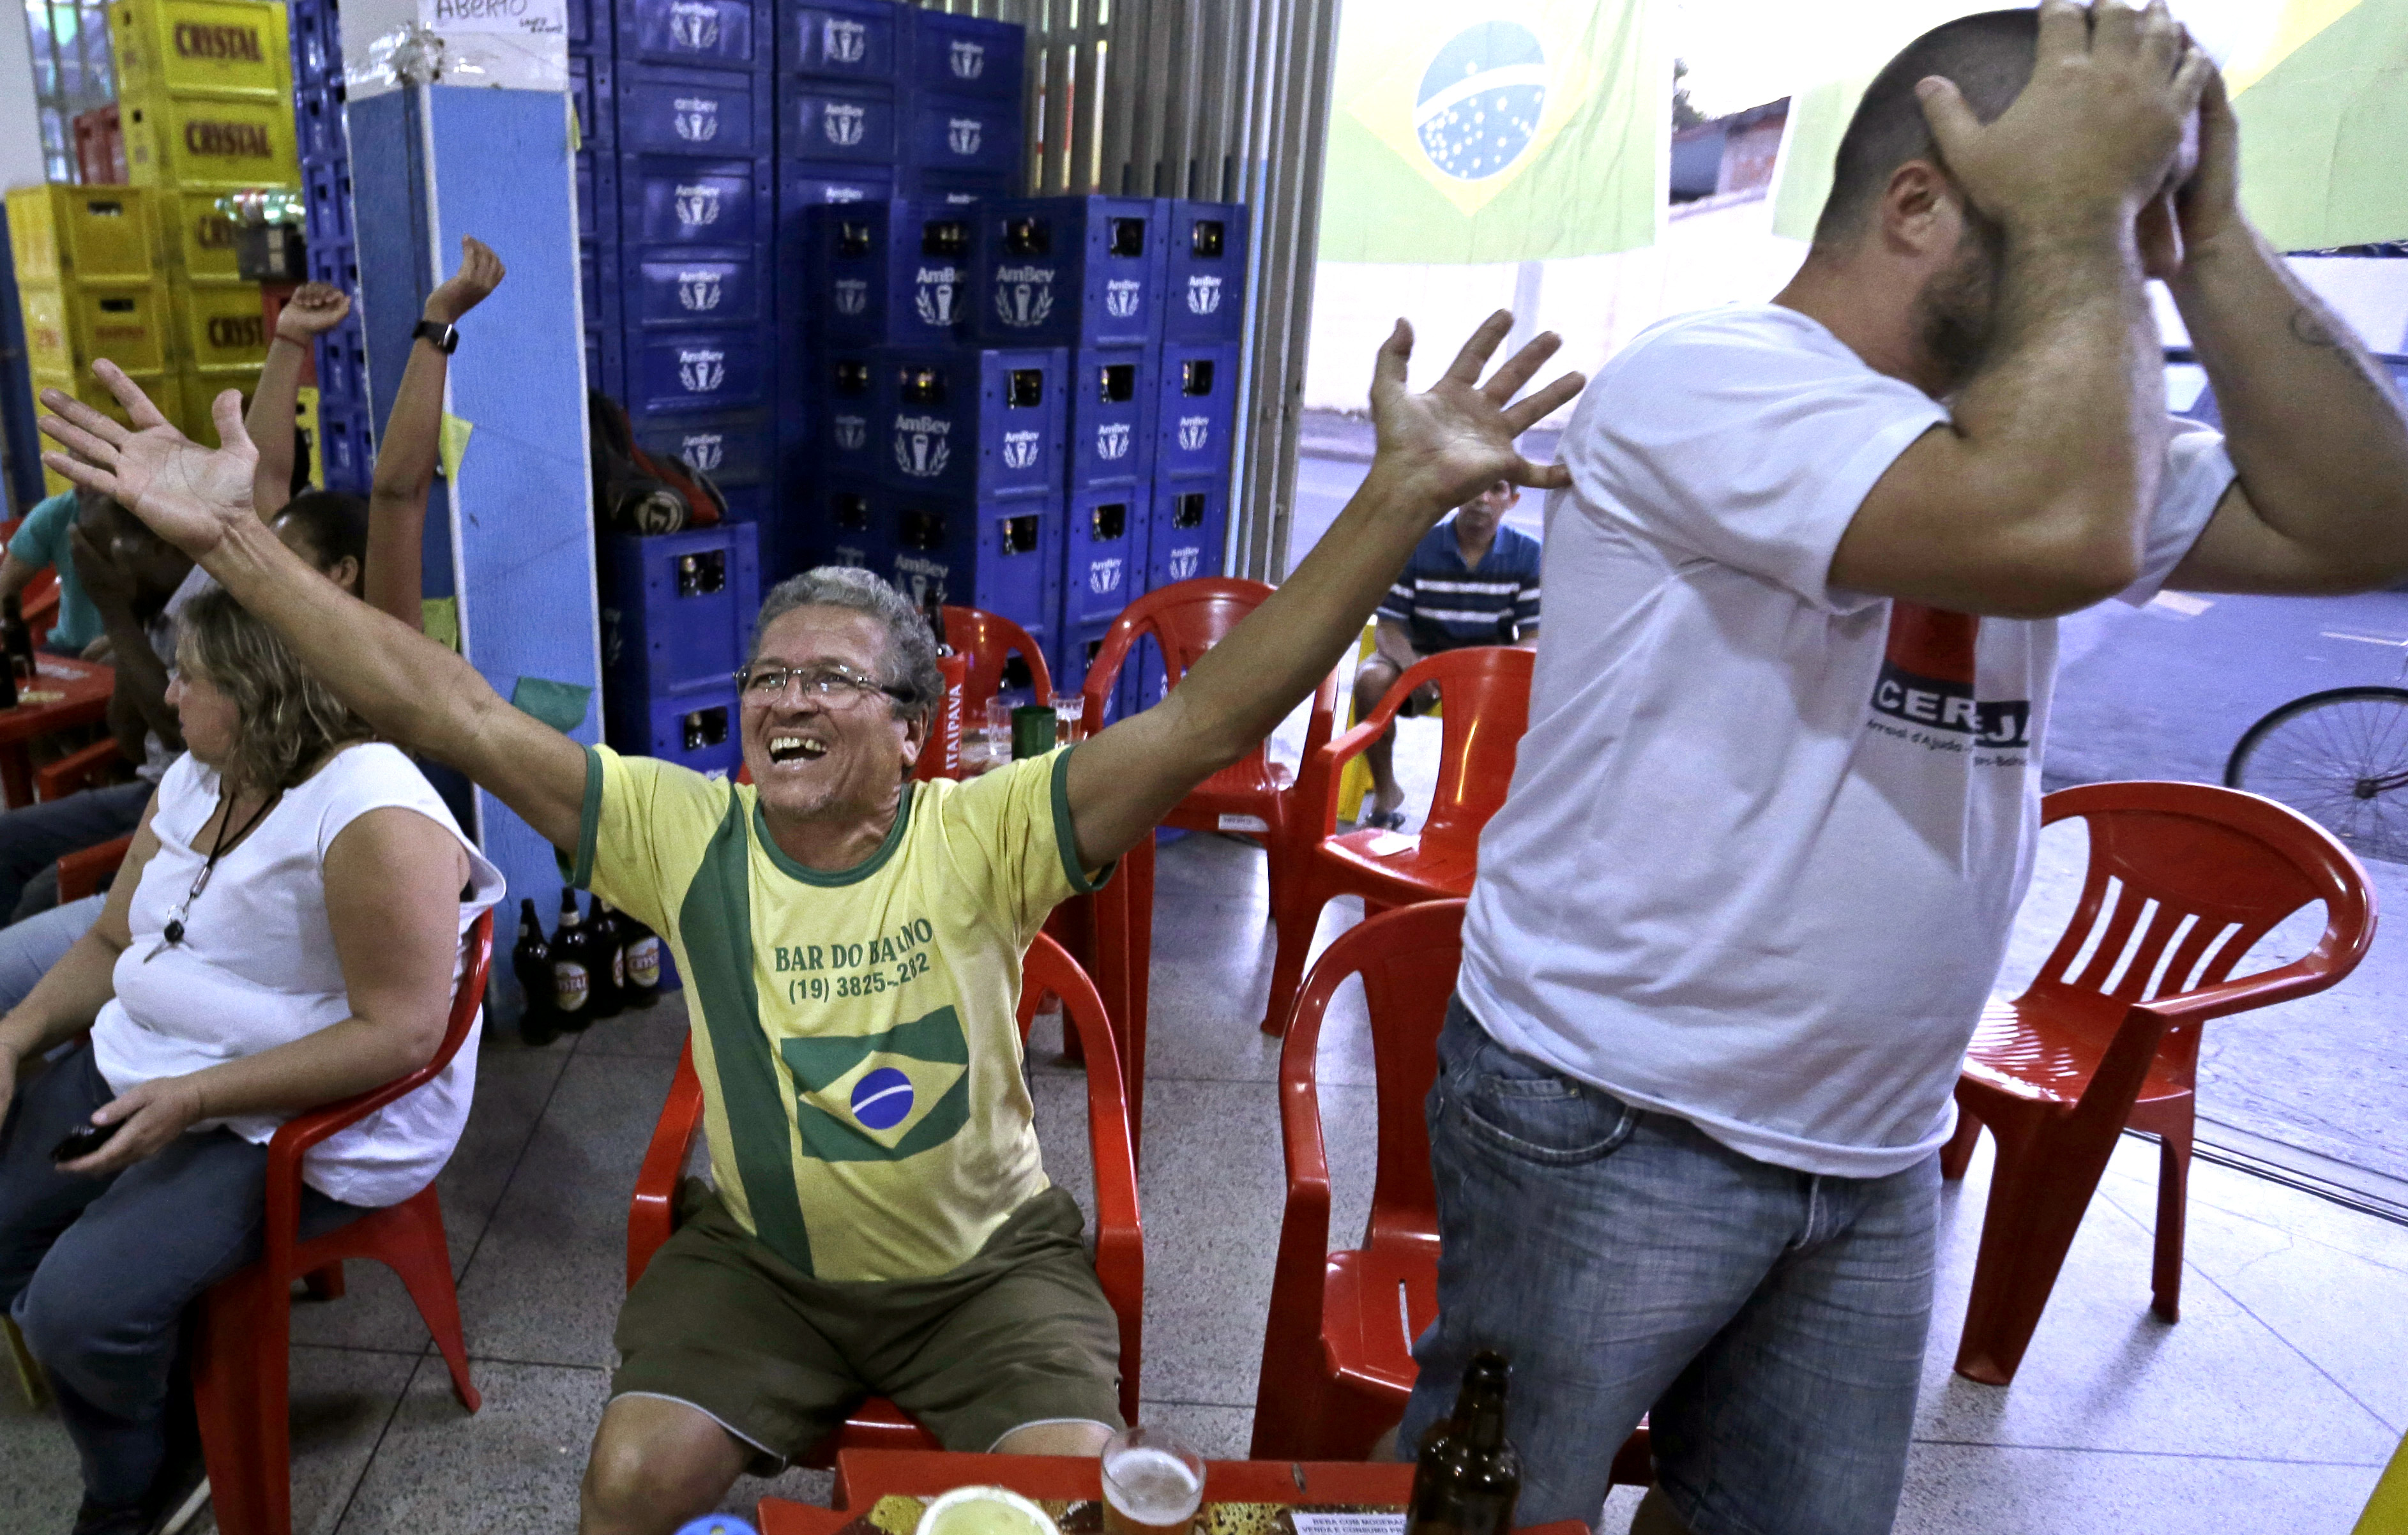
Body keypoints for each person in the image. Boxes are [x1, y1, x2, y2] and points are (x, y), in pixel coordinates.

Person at [36, 309, 1581, 1535]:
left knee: (1063, 1502)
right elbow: (444, 700)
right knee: (627, 1483)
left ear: (912, 728)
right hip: (759, 1265)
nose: (786, 695)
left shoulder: (988, 832)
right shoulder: (681, 831)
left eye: (832, 678)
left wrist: (1395, 492)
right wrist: (234, 545)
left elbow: (1217, 709)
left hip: (986, 1275)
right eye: (770, 672)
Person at [1398, 6, 2408, 1534]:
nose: (2108, 270)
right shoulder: (1711, 379)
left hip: (1872, 1140)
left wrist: (2201, 229)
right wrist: (2079, 205)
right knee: (1499, 1510)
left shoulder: (2042, 432)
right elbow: (2055, 537)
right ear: (1918, 206)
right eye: (2081, 217)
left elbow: (2365, 524)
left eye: (2126, 220)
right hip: (1616, 1110)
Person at [0, 586, 503, 1535]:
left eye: (192, 678)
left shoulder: (370, 809)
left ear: (263, 690)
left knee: (74, 1312)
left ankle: (138, 1477)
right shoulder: (202, 771)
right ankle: (138, 1354)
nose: (170, 694)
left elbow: (396, 1035)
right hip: (161, 1063)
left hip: (289, 1112)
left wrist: (193, 1099)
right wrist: (14, 1035)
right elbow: (114, 943)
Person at [245, 236, 505, 632]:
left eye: (285, 557)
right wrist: (290, 336)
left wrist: (440, 321)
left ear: (343, 572)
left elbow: (398, 494)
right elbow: (260, 476)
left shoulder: (383, 645)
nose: (265, 567)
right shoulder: (270, 626)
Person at [0, 497, 197, 925]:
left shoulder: (207, 605)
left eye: (105, 554)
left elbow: (179, 733)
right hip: (152, 791)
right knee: (5, 840)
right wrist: (130, 624)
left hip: (199, 806)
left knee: (44, 891)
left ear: (163, 545)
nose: (98, 573)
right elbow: (129, 740)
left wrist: (116, 613)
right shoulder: (153, 604)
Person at [1356, 478, 1541, 827]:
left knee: (1537, 694)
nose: (1482, 498)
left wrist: (1489, 675)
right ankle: (1386, 793)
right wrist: (1416, 669)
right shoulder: (1415, 546)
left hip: (1486, 667)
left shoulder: (1529, 555)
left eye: (1496, 489)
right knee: (1370, 682)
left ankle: (1487, 807)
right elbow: (1389, 629)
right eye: (1472, 486)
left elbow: (1533, 636)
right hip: (1416, 658)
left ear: (1512, 500)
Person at [1, 487, 109, 658]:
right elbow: (5, 589)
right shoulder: (55, 514)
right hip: (69, 648)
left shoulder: (153, 515)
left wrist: (122, 641)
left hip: (145, 648)